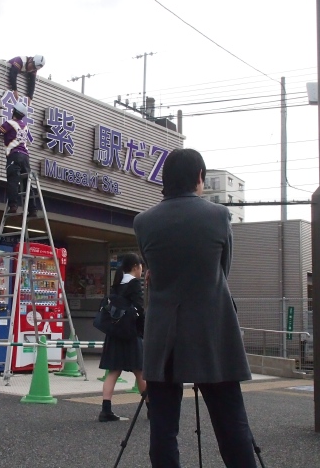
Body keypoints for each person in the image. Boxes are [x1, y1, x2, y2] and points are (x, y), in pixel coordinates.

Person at [133, 148, 257, 468]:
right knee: (231, 422)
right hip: (211, 330)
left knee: (163, 427)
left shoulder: (144, 222)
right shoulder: (218, 215)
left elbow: (154, 272)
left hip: (163, 334)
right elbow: (222, 271)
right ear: (199, 178)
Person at [98, 253, 147, 422]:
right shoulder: (134, 284)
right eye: (141, 266)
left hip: (115, 333)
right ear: (135, 266)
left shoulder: (117, 283)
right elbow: (140, 310)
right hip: (131, 334)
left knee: (113, 371)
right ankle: (151, 409)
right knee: (140, 371)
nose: (142, 270)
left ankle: (106, 410)